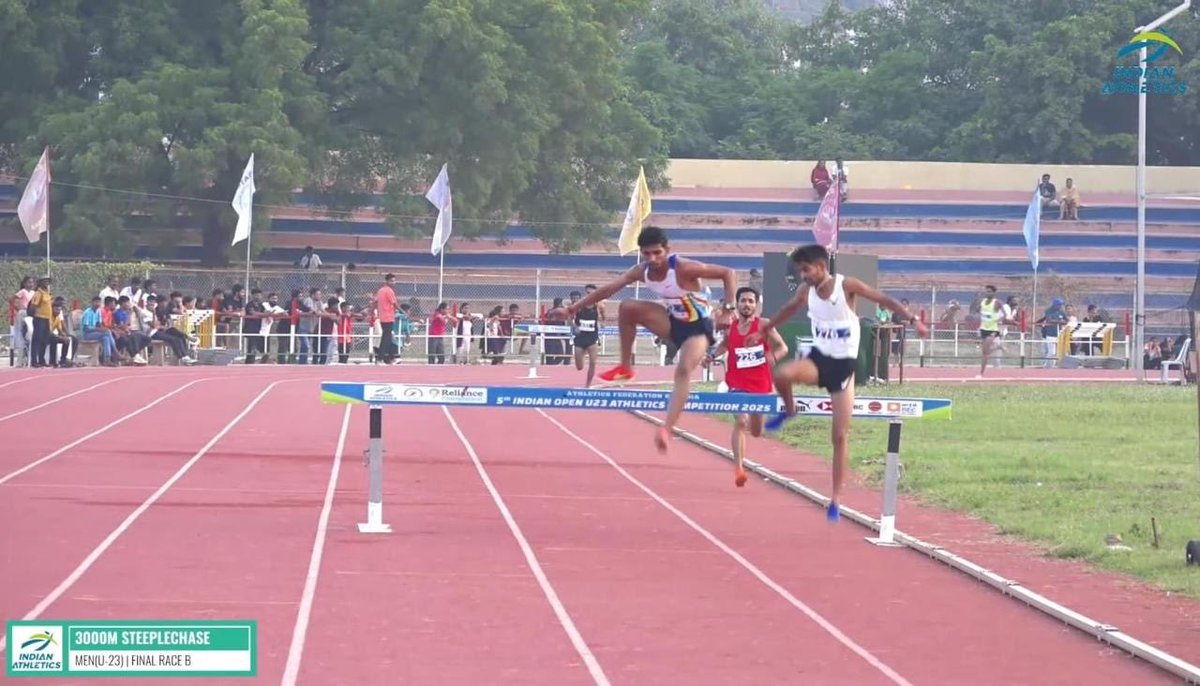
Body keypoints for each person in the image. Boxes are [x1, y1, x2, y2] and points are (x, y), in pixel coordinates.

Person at [746, 244, 927, 521]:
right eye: (800, 271)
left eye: (806, 269)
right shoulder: (805, 292)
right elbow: (787, 309)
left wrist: (913, 319)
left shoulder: (847, 286)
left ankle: (836, 497)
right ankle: (790, 409)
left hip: (844, 366)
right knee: (782, 375)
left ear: (820, 266)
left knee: (839, 437)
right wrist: (766, 329)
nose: (803, 275)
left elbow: (883, 299)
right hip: (819, 360)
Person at [551, 226, 736, 452]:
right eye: (647, 254)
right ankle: (626, 366)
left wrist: (728, 309)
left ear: (667, 249)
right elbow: (609, 289)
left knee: (683, 370)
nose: (653, 259)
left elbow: (729, 273)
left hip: (700, 329)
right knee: (627, 307)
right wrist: (572, 310)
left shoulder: (684, 267)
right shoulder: (641, 270)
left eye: (657, 253)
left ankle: (667, 428)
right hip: (672, 323)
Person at [704, 286, 788, 487]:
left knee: (756, 430)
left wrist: (772, 356)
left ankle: (753, 430)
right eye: (743, 300)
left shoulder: (764, 325)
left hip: (761, 385)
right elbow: (726, 344)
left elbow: (784, 347)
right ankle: (739, 468)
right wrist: (712, 356)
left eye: (751, 301)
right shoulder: (732, 326)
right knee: (741, 421)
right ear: (738, 303)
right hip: (737, 383)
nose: (747, 304)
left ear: (756, 305)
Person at [569, 289, 601, 386]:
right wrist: (575, 327)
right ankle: (583, 352)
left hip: (592, 338)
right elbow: (569, 320)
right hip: (580, 338)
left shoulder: (598, 307)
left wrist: (600, 323)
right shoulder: (577, 307)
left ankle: (588, 385)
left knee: (593, 362)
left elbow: (602, 318)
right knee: (579, 367)